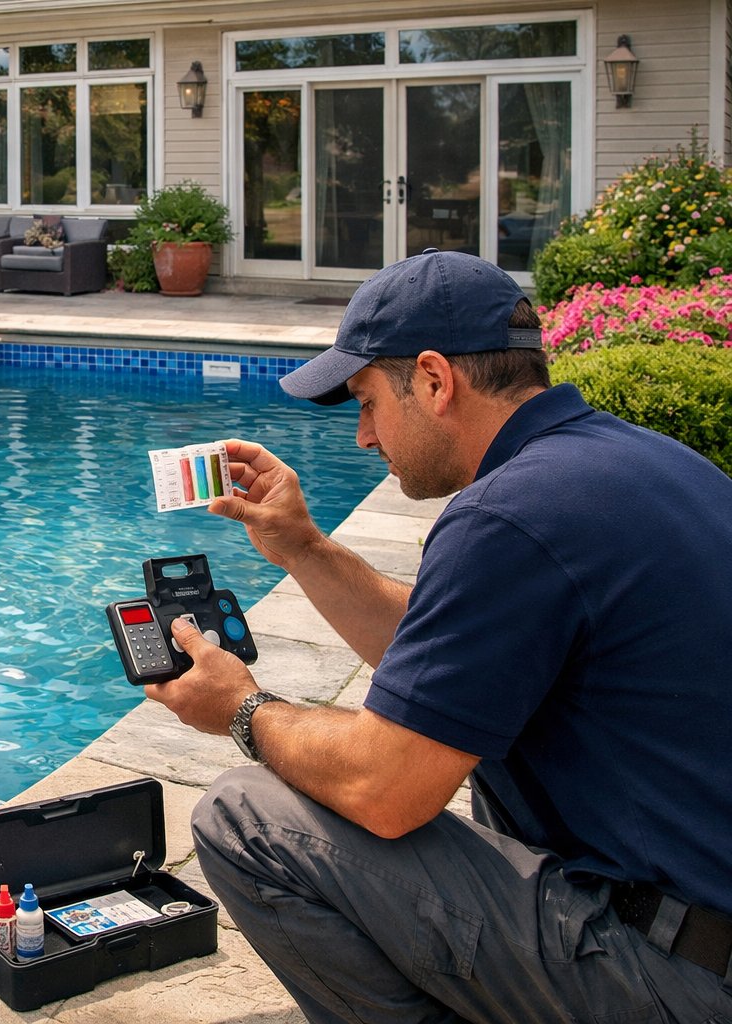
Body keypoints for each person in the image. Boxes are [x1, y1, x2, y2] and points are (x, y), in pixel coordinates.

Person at [146, 249, 732, 1023]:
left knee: (244, 818)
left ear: (432, 379)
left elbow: (385, 791)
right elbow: (444, 663)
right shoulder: (643, 465)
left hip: (672, 977)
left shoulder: (508, 517)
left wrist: (242, 708)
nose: (361, 437)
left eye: (365, 402)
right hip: (702, 924)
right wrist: (302, 547)